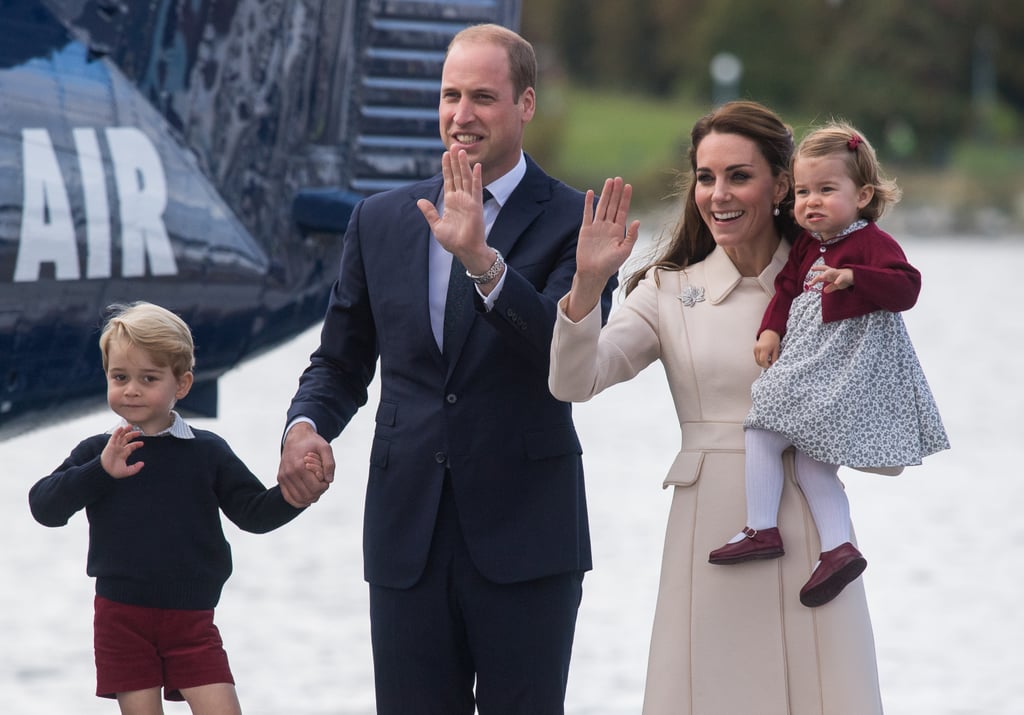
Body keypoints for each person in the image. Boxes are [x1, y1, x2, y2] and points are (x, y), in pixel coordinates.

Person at [275, 23, 616, 714]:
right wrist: (307, 424)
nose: (462, 115)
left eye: (483, 97)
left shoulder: (580, 222)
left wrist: (483, 263)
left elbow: (565, 355)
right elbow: (340, 362)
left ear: (524, 104)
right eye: (450, 95)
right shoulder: (381, 219)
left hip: (528, 538)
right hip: (408, 541)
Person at [549, 101, 884, 713]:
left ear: (781, 185)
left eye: (739, 176)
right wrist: (588, 285)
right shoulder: (669, 289)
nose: (718, 194)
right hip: (712, 536)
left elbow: (880, 410)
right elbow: (577, 381)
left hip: (814, 538)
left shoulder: (837, 278)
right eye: (706, 177)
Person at [708, 121, 950, 607]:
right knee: (814, 464)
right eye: (802, 192)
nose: (811, 202)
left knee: (761, 425)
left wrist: (853, 277)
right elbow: (787, 288)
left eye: (825, 190)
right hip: (812, 358)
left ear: (861, 196)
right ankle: (839, 549)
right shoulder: (806, 244)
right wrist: (771, 329)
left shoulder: (870, 243)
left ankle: (762, 527)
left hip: (842, 367)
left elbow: (907, 288)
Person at [28, 302, 307, 714]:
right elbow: (44, 507)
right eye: (120, 377)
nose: (132, 389)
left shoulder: (207, 451)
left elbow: (253, 512)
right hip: (121, 618)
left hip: (191, 619)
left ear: (182, 383)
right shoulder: (99, 453)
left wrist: (294, 495)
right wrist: (101, 472)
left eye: (149, 378)